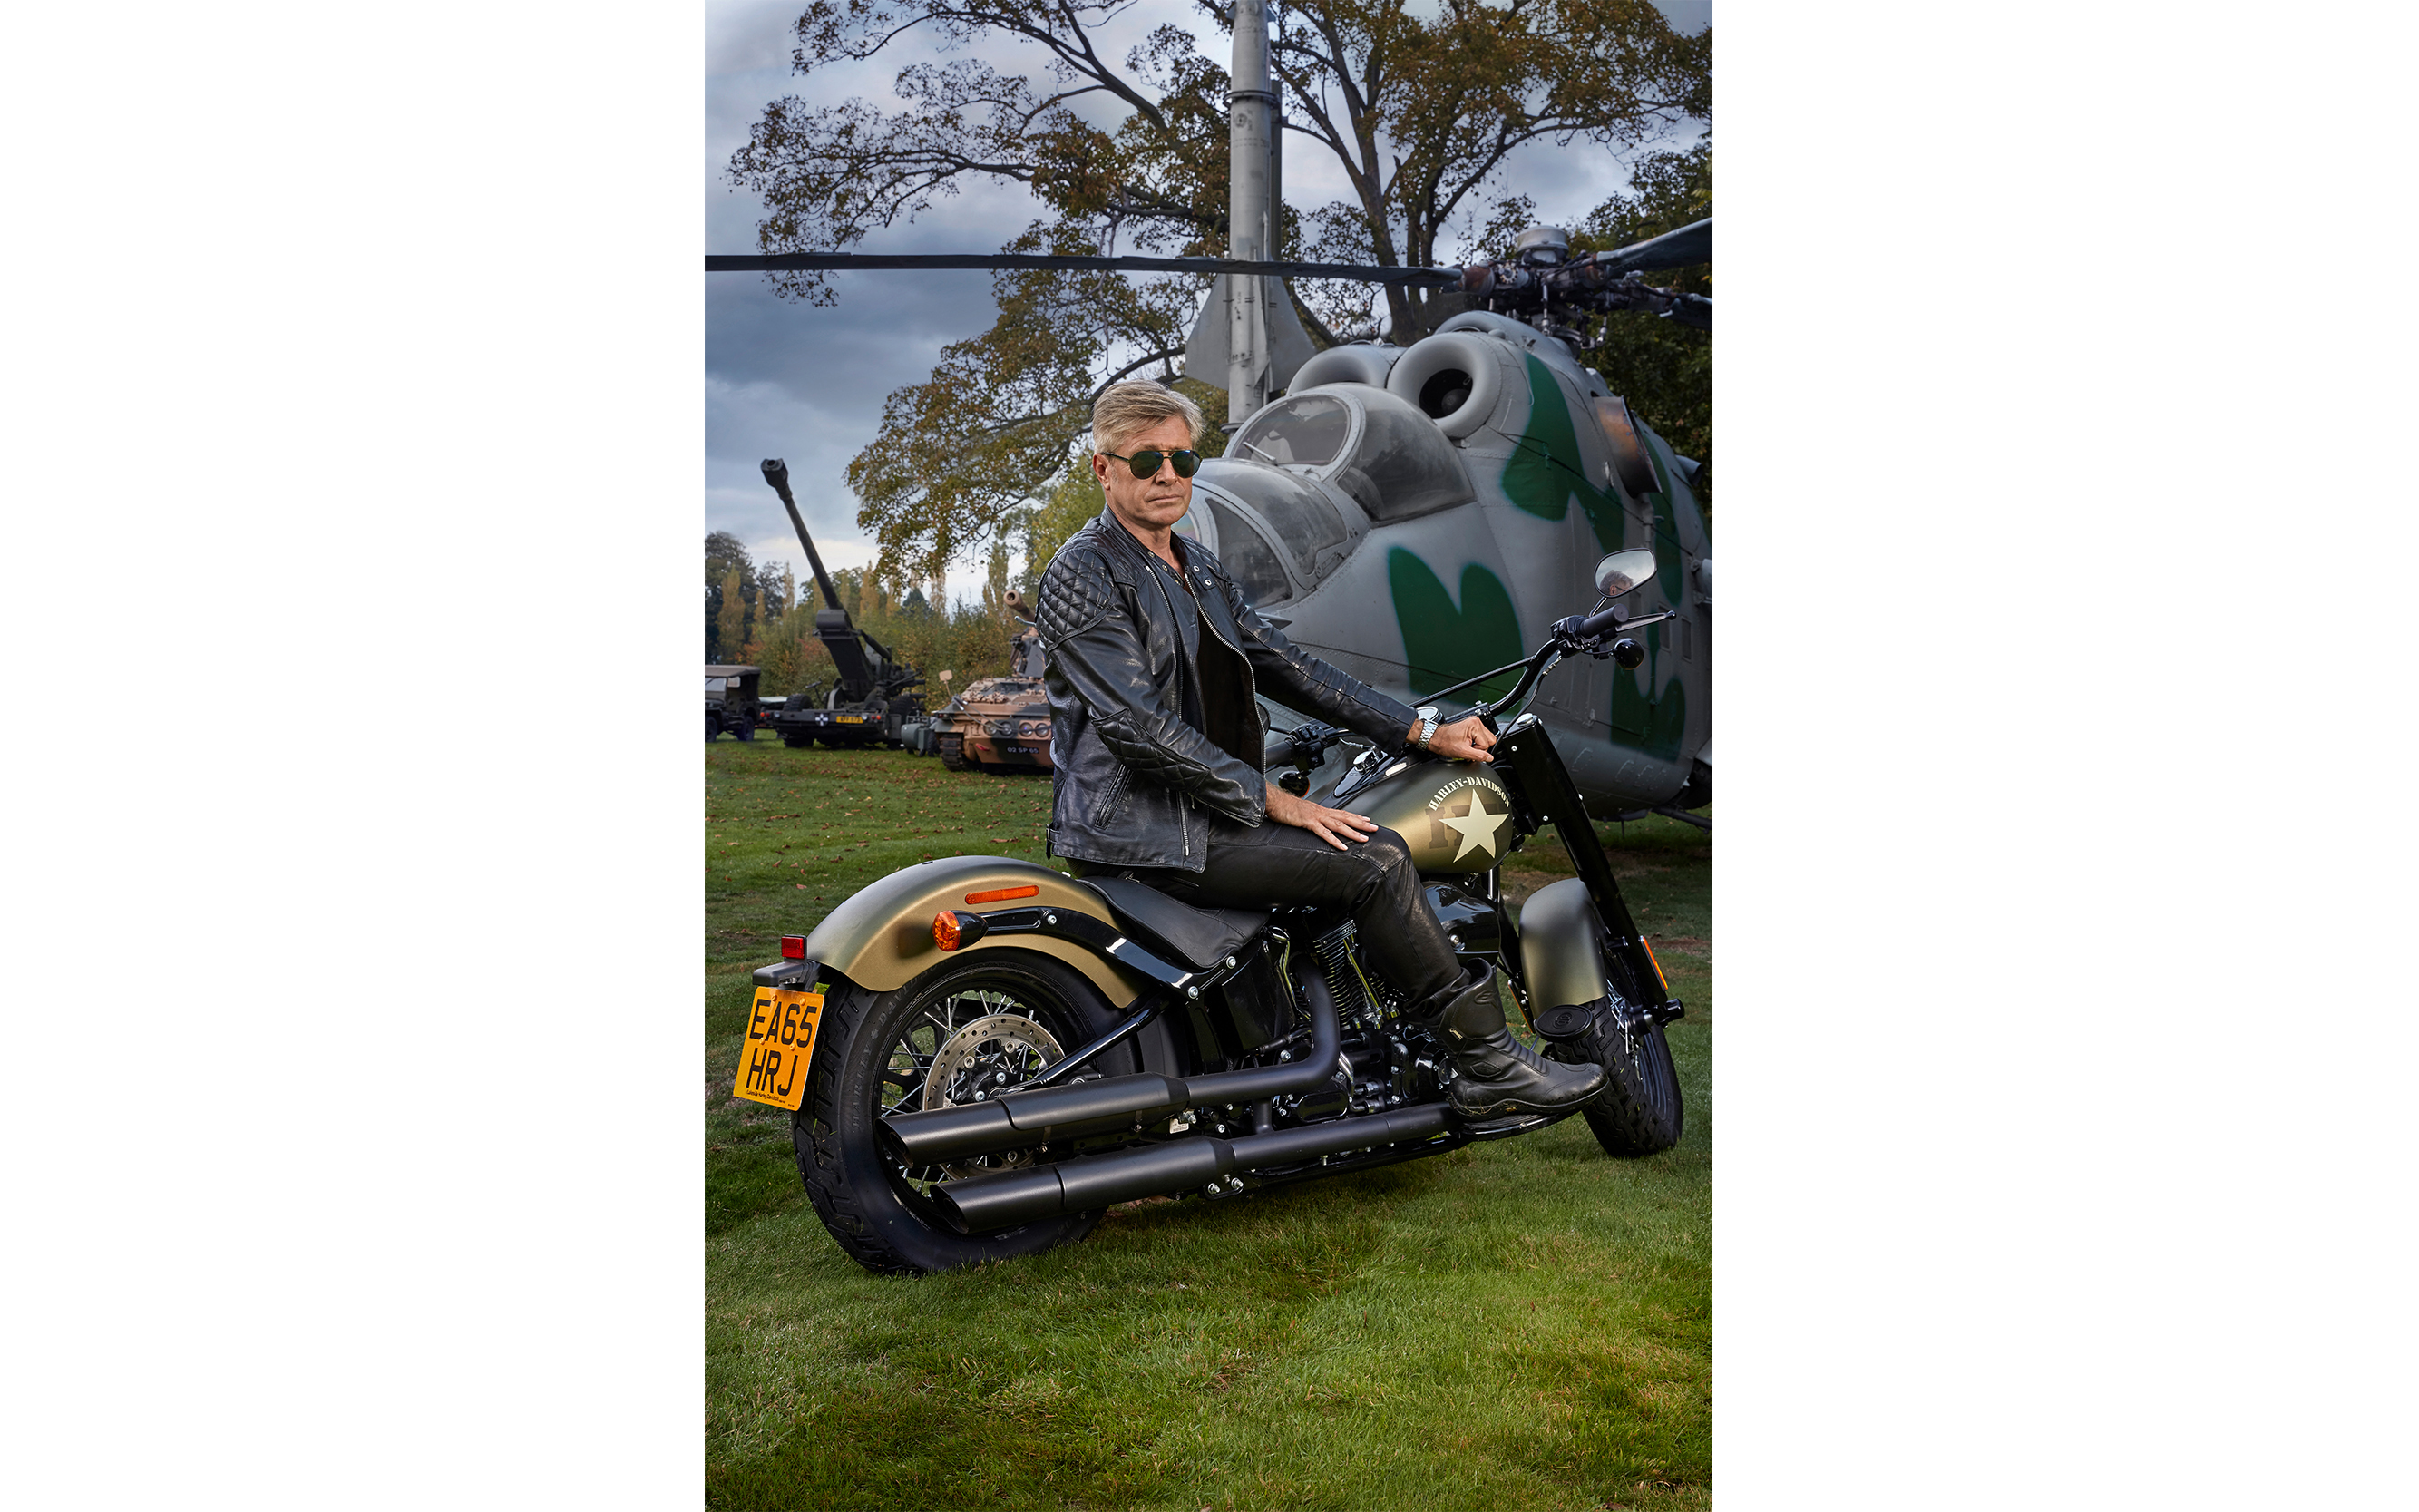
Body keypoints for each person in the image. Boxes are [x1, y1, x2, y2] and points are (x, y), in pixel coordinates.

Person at [1035, 381, 1605, 1117]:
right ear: (1103, 468)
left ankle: (1333, 1052)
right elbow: (1137, 727)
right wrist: (1272, 798)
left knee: (1352, 843)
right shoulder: (1085, 570)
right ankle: (1486, 1064)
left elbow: (1292, 666)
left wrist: (1422, 731)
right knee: (1373, 860)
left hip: (1199, 812)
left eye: (1184, 457)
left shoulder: (1193, 566)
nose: (1168, 474)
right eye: (1147, 459)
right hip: (1141, 828)